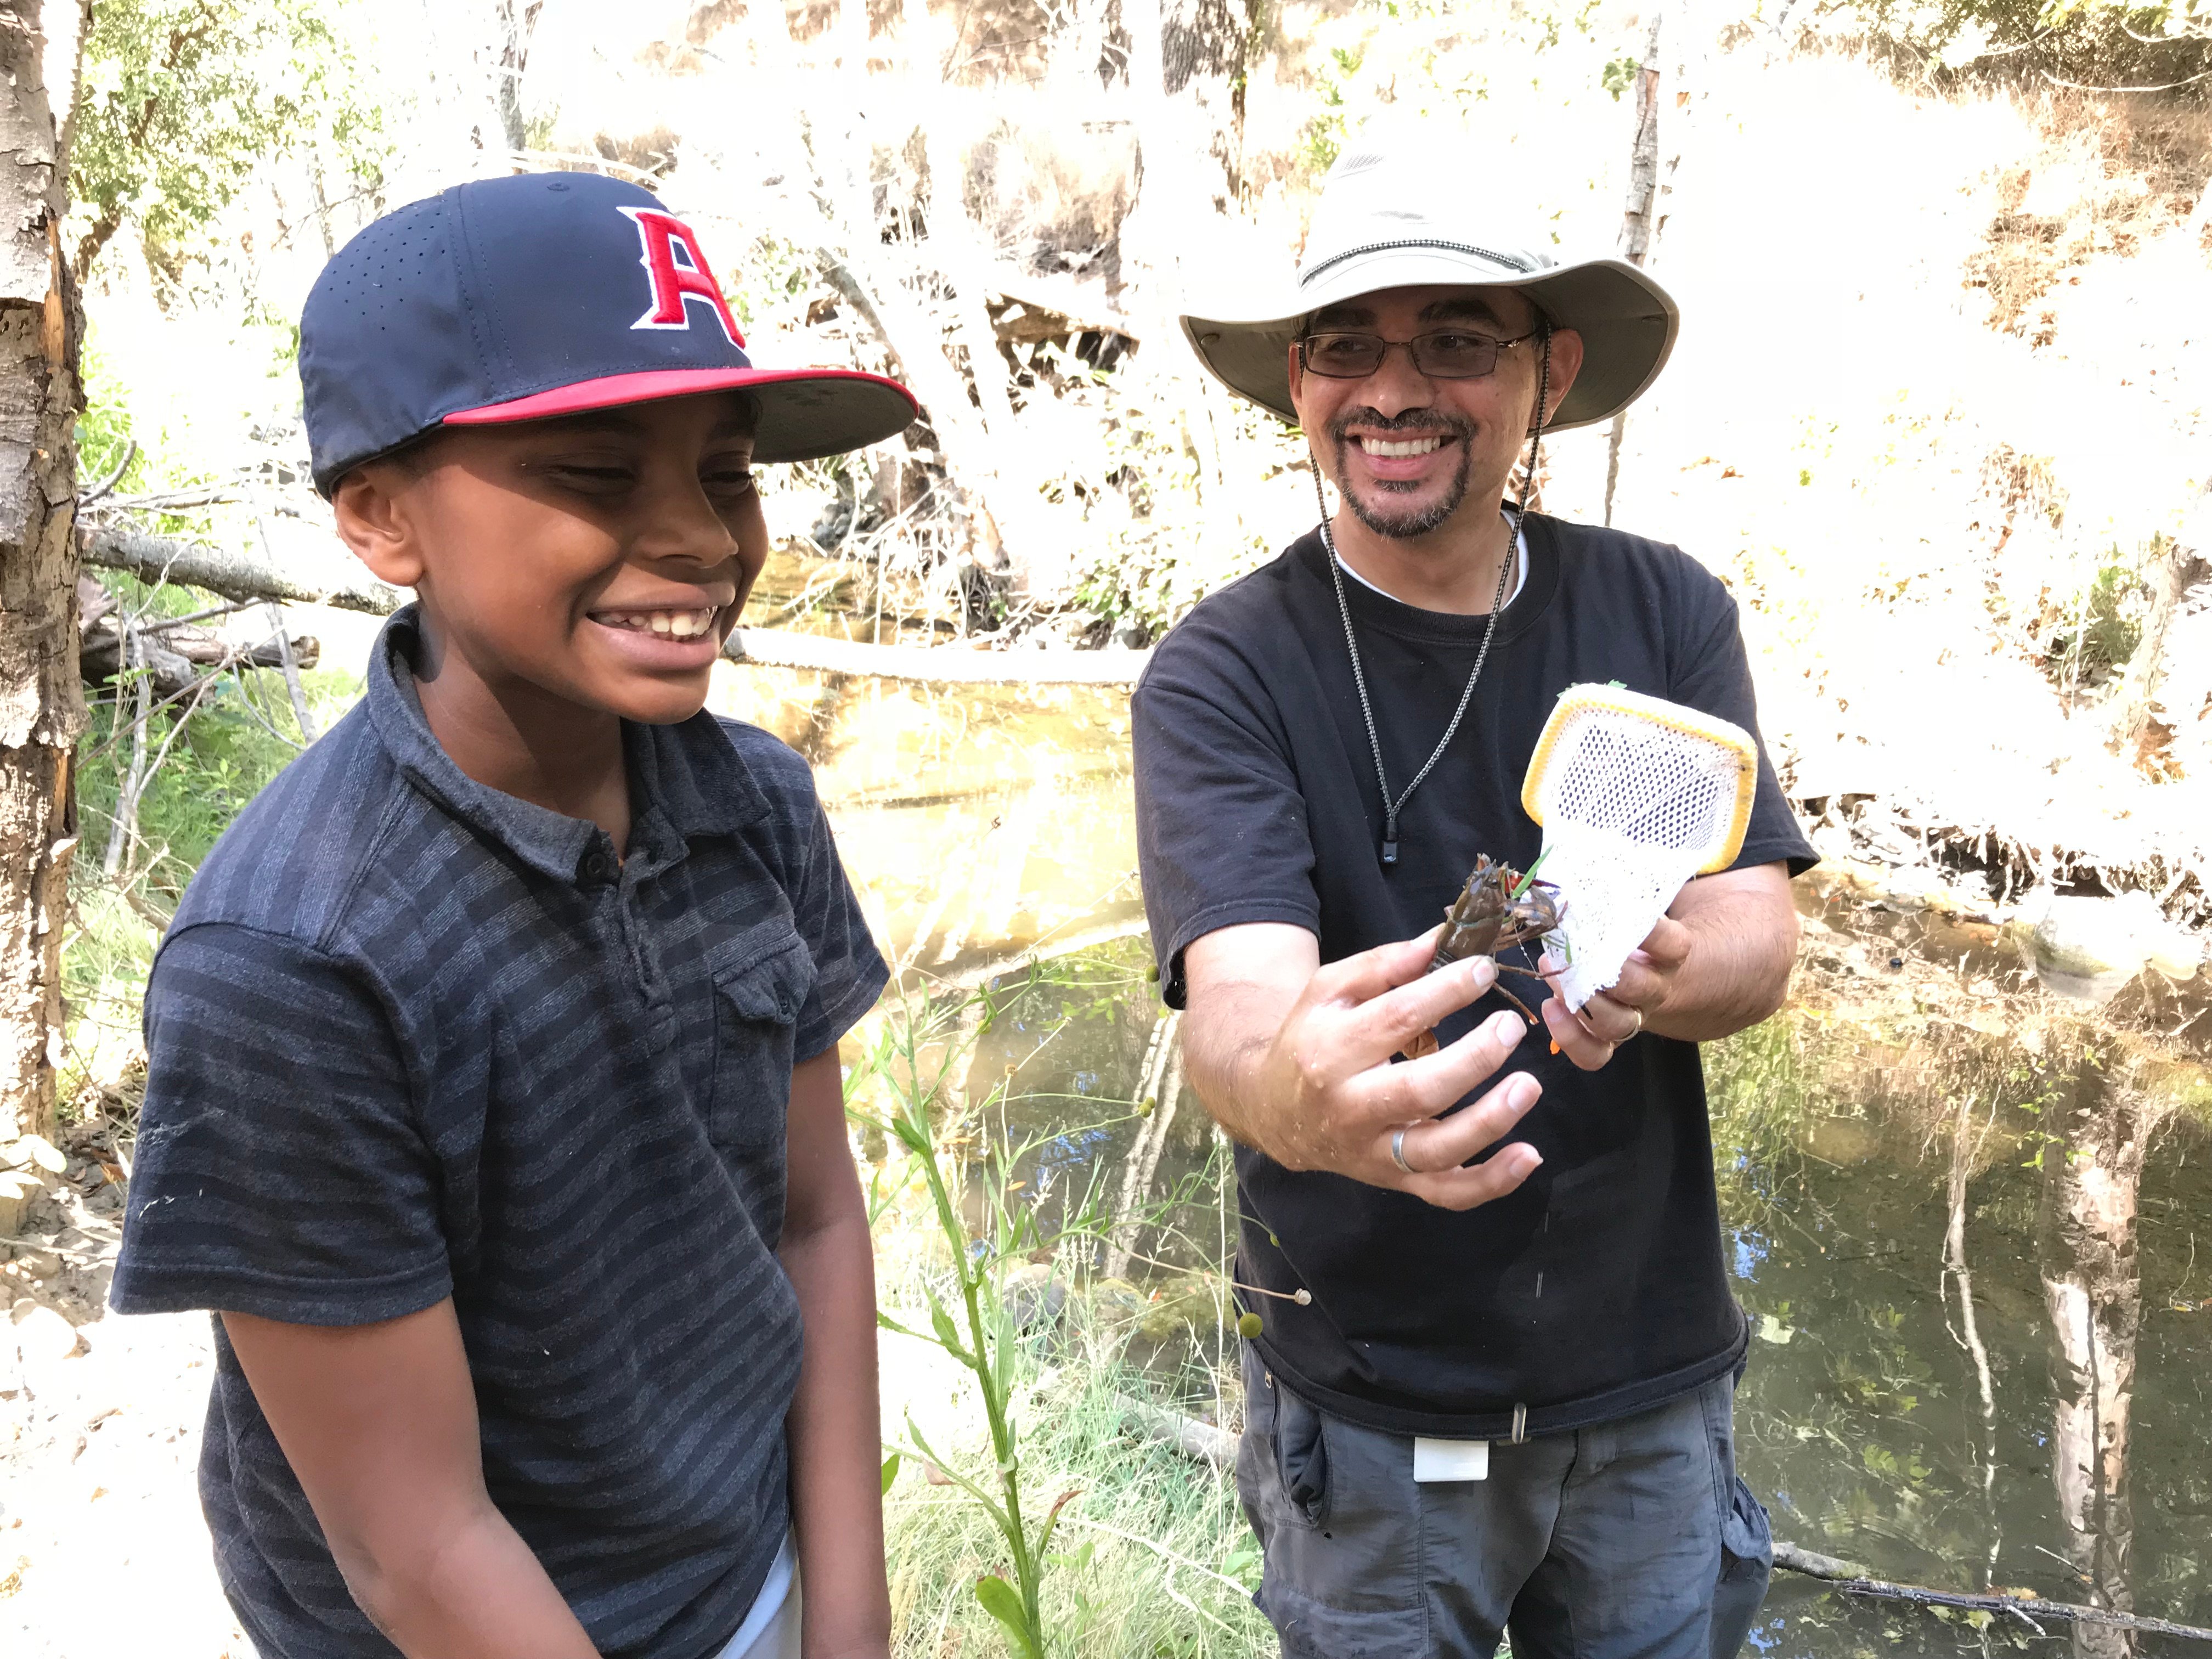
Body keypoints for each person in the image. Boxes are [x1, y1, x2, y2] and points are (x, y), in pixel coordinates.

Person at [110, 172, 918, 1659]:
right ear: (380, 517)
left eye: (725, 470)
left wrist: (847, 1621)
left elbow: (814, 1214)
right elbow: (412, 1544)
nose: (700, 541)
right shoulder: (296, 964)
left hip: (743, 1567)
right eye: (600, 477)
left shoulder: (757, 803)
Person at [1136, 131, 1818, 1659]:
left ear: (1548, 374)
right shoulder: (1223, 672)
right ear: (1299, 383)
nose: (1394, 389)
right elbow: (1241, 1012)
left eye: (1456, 339)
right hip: (1374, 1407)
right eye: (1345, 347)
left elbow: (1759, 929)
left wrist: (1666, 973)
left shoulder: (1661, 607)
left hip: (1648, 1382)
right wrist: (1317, 1104)